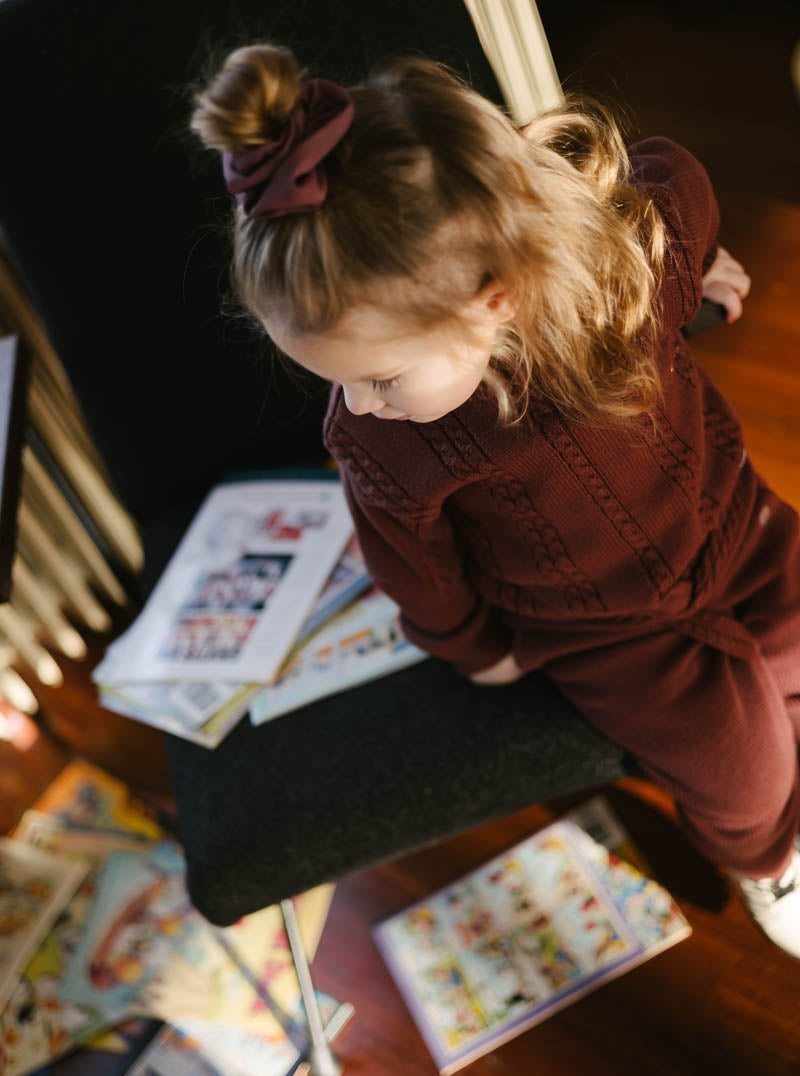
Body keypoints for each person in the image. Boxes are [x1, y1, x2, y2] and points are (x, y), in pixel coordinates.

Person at [190, 45, 800, 957]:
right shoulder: (385, 440)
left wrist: (703, 261)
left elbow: (679, 176)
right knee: (737, 773)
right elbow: (416, 567)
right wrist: (477, 652)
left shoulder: (623, 268)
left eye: (381, 377)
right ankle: (772, 865)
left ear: (494, 299)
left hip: (736, 519)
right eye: (339, 380)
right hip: (611, 632)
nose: (355, 406)